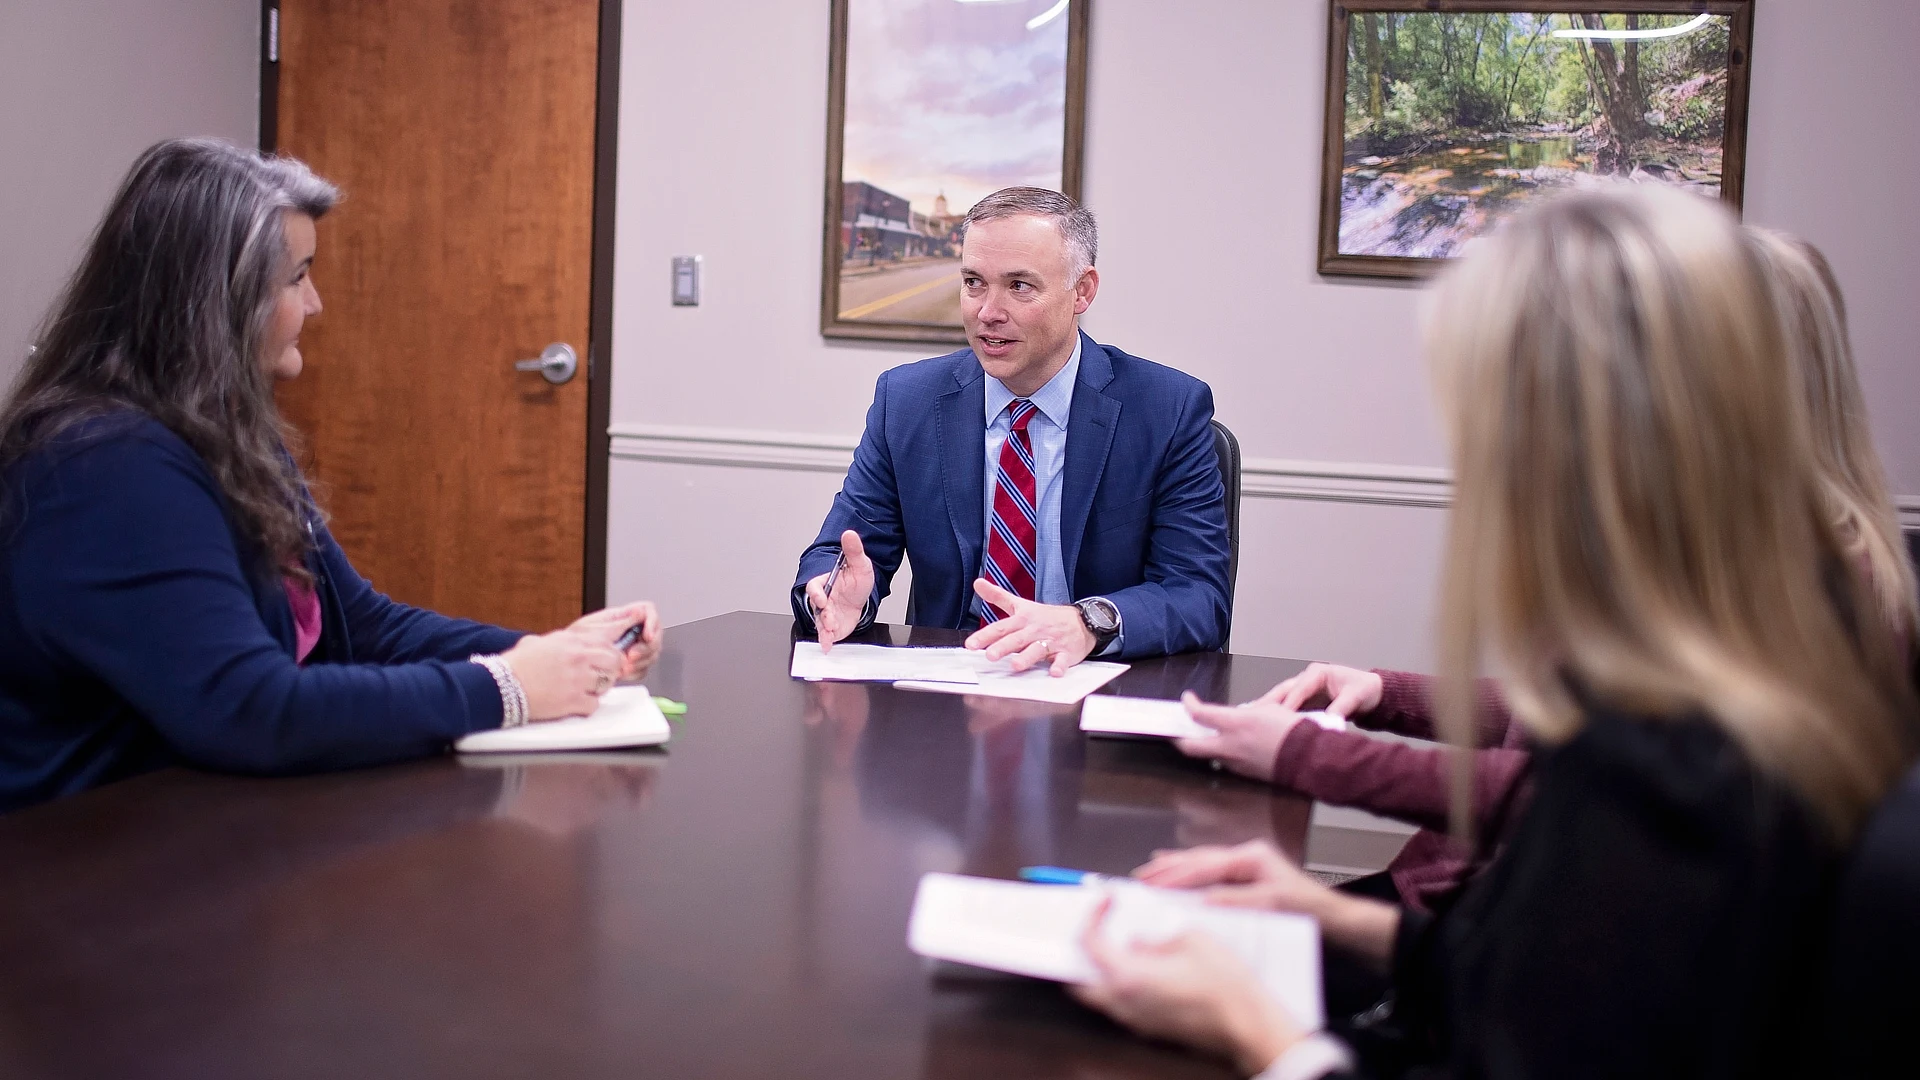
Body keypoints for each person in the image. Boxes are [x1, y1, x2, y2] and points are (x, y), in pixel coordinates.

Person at [1069, 186, 1920, 1078]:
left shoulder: (1679, 768)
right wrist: (1332, 915)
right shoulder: (1677, 723)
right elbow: (1548, 984)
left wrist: (1261, 1033)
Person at [1164, 225, 1920, 924]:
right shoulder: (1723, 547)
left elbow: (1579, 803)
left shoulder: (1805, 590)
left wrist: (1308, 757)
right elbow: (1569, 729)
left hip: (1505, 925)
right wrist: (1388, 695)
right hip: (1476, 909)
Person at [0, 138, 664, 813]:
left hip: (203, 832)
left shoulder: (227, 433)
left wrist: (554, 656)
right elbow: (251, 710)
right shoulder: (106, 465)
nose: (315, 305)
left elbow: (364, 627)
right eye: (295, 278)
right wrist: (509, 688)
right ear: (215, 300)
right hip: (83, 872)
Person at [792, 187, 1232, 673]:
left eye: (1019, 286)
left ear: (1082, 291)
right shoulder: (907, 402)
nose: (988, 312)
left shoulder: (1165, 409)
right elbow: (843, 550)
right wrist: (832, 597)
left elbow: (1198, 594)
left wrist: (1087, 622)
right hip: (949, 693)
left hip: (1093, 688)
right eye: (974, 282)